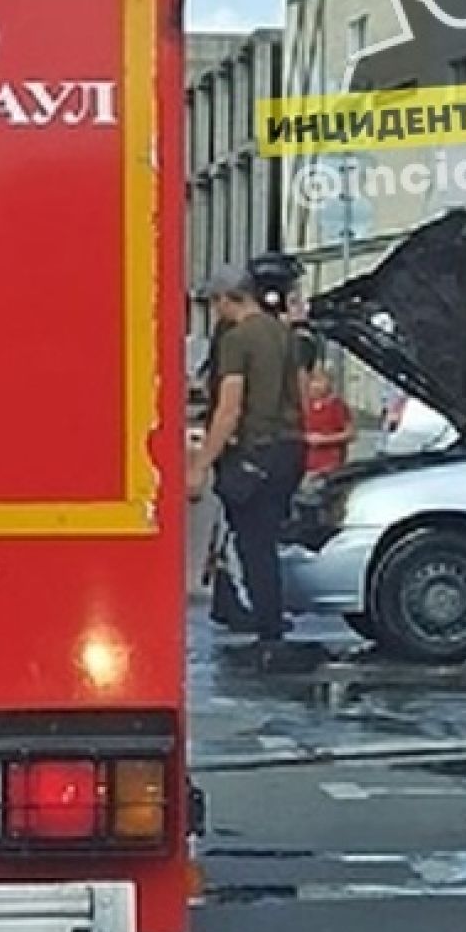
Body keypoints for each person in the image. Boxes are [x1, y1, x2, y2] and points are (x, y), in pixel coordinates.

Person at [187, 263, 306, 665]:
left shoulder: (237, 340)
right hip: (290, 449)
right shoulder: (283, 333)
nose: (213, 310)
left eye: (212, 302)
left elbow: (228, 409)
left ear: (226, 298)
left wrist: (201, 464)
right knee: (265, 541)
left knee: (251, 544)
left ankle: (268, 631)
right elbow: (301, 394)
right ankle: (270, 621)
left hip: (254, 450)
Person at [300, 363, 354, 476]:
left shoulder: (336, 405)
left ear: (329, 382)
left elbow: (350, 434)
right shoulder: (305, 405)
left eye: (319, 381)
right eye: (312, 381)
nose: (315, 386)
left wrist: (324, 439)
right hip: (305, 465)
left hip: (330, 465)